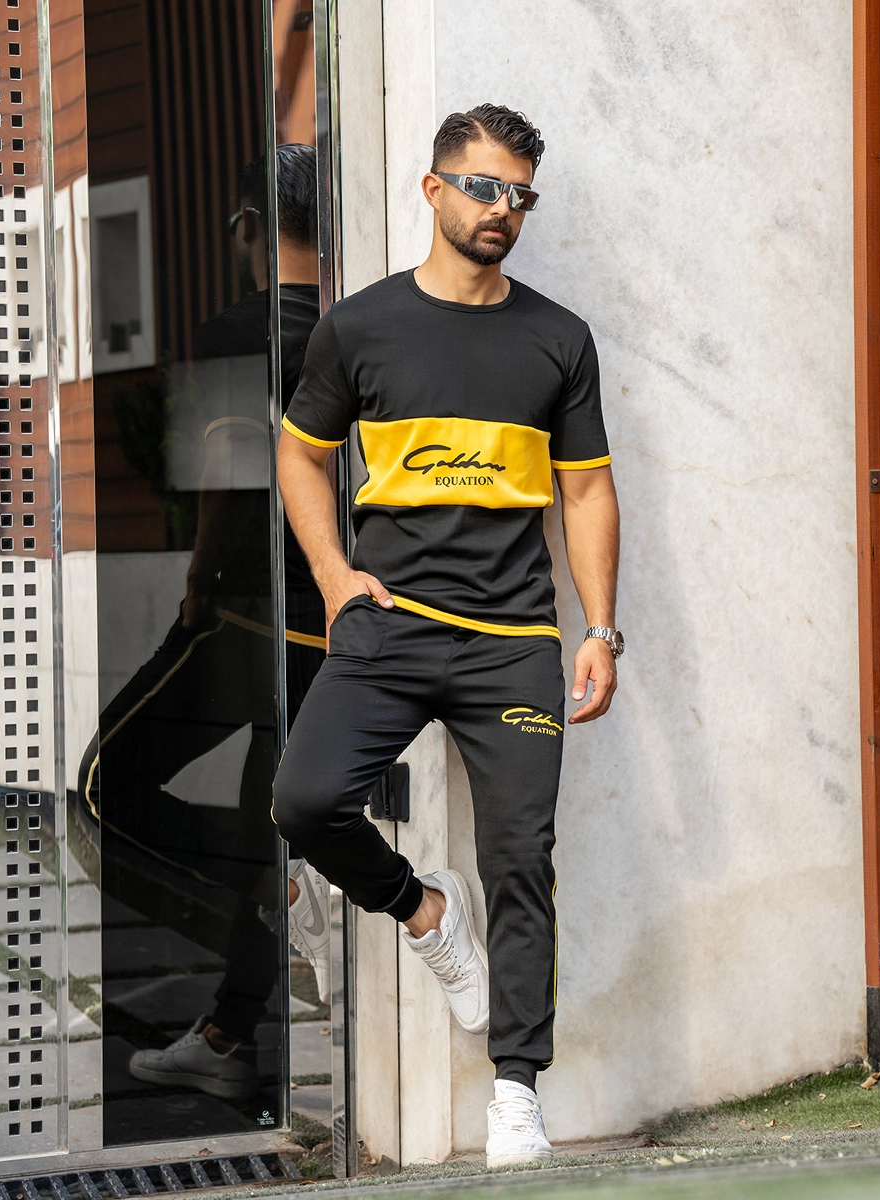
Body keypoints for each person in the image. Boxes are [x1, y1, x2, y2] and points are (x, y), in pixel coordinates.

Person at [273, 105, 623, 1165]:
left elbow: (587, 491)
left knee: (521, 857)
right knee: (305, 801)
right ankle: (427, 912)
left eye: (519, 194)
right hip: (389, 626)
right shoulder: (359, 328)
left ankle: (516, 1094)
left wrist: (601, 628)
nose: (501, 209)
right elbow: (300, 455)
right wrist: (334, 578)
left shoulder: (558, 339)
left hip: (513, 639)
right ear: (433, 190)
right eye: (483, 187)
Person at [81, 145, 331, 1102]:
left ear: (249, 228)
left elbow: (232, 474)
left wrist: (198, 587)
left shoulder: (237, 330)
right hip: (339, 623)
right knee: (268, 810)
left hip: (247, 616)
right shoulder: (358, 327)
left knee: (107, 784)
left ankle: (279, 884)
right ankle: (230, 1034)